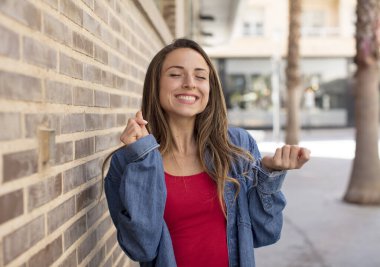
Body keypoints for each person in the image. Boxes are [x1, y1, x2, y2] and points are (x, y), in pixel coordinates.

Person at [104, 38, 310, 267]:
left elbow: (266, 233)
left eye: (201, 76)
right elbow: (141, 248)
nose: (190, 83)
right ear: (155, 84)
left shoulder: (237, 146)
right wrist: (144, 159)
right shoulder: (129, 161)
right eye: (175, 74)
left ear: (210, 88)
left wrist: (269, 174)